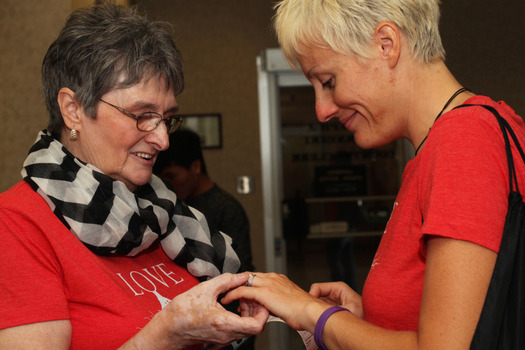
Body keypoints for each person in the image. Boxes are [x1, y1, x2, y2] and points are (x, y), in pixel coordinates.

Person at [223, 0, 525, 349]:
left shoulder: (464, 140)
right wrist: (364, 320)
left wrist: (311, 313)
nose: (322, 110)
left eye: (328, 81)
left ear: (386, 45)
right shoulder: (453, 140)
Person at [0, 2, 267, 349]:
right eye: (142, 115)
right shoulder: (17, 224)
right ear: (73, 110)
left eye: (167, 118)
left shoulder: (163, 212)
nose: (162, 139)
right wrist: (165, 335)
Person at [154, 129, 254, 273]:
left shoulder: (226, 208)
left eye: (172, 176)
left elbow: (241, 267)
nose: (167, 184)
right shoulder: (173, 204)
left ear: (195, 167)